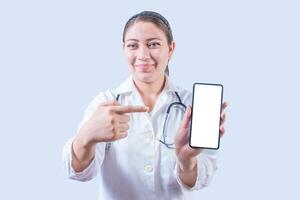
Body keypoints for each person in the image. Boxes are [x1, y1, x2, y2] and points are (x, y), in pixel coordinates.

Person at [62, 11, 228, 200]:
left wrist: (185, 160)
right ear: (124, 49)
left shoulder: (192, 106)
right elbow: (79, 172)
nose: (142, 55)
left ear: (171, 49)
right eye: (133, 45)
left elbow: (200, 181)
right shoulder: (105, 103)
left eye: (153, 44)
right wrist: (86, 136)